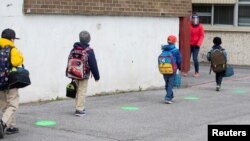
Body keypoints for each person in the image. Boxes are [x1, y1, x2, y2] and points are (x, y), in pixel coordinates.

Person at [69, 31, 100, 116]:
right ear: (89, 40)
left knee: (77, 90)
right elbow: (93, 64)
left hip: (74, 73)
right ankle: (79, 109)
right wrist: (97, 77)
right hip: (84, 75)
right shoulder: (89, 50)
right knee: (82, 90)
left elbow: (69, 60)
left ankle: (78, 106)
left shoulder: (74, 49)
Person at [0, 28, 24, 138]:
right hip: (9, 82)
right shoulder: (12, 49)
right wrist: (21, 55)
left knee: (4, 104)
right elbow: (17, 62)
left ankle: (11, 126)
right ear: (12, 39)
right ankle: (3, 122)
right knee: (13, 104)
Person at [161, 35, 182, 104]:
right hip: (172, 69)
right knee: (170, 84)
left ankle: (171, 96)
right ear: (174, 42)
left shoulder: (164, 49)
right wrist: (179, 67)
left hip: (164, 69)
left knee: (167, 83)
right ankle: (168, 98)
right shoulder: (176, 50)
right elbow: (179, 60)